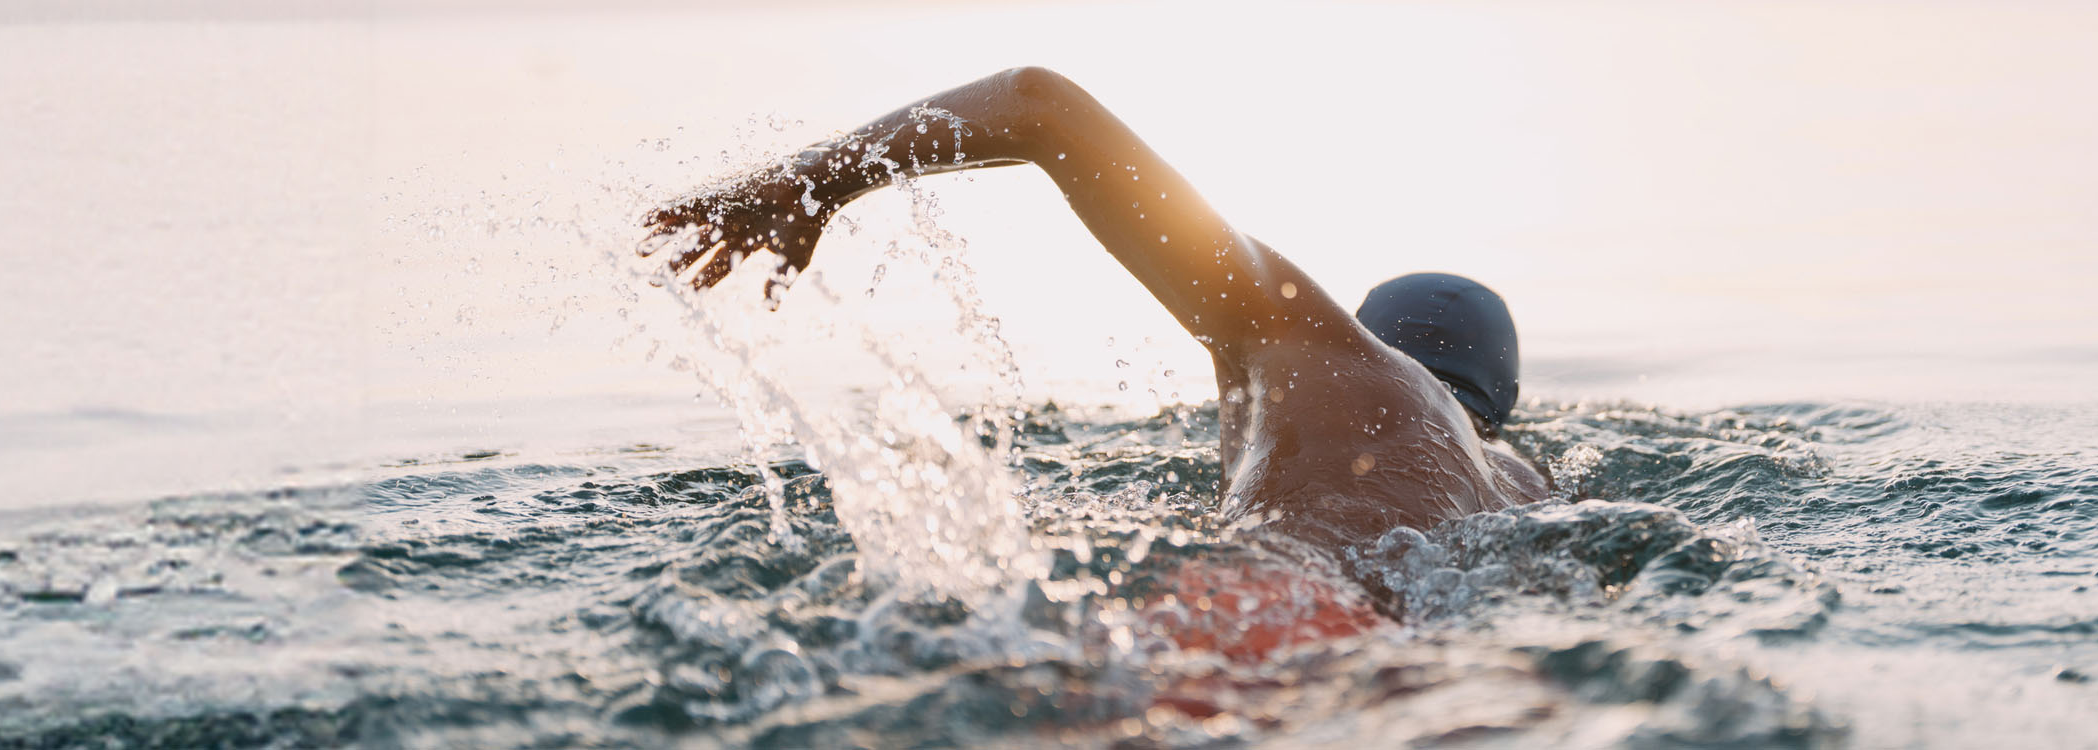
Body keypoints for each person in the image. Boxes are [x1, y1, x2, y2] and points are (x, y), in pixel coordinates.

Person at [645, 67, 1551, 661]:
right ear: (1500, 402)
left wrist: (809, 185)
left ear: (1372, 331)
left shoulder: (1316, 347)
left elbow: (1042, 104)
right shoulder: (1525, 485)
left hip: (1256, 619)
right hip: (1408, 674)